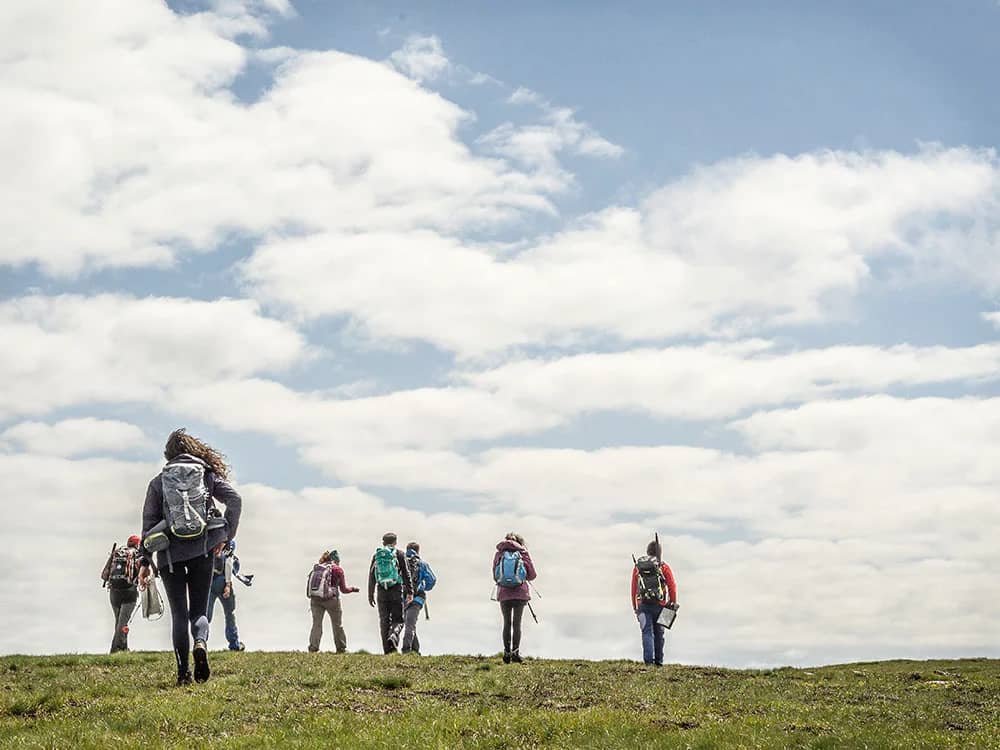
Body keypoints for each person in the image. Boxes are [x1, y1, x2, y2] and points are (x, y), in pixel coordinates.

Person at [138, 429, 242, 686]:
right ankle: (200, 643)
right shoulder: (206, 475)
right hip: (202, 551)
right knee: (198, 611)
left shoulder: (159, 482)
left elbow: (148, 523)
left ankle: (183, 673)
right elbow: (235, 500)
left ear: (168, 455)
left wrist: (145, 560)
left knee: (179, 615)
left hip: (169, 556)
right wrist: (225, 536)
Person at [631, 539, 678, 667]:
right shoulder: (663, 567)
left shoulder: (638, 567)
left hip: (643, 605)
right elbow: (672, 587)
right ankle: (658, 662)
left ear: (648, 552)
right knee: (659, 634)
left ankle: (648, 663)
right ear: (660, 553)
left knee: (646, 632)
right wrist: (672, 603)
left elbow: (633, 588)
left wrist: (635, 607)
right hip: (661, 605)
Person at [492, 532, 537, 664]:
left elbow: (495, 575)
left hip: (504, 593)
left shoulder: (499, 553)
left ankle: (506, 654)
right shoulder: (523, 553)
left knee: (507, 623)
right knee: (517, 624)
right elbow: (532, 575)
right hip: (520, 593)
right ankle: (515, 653)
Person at [367, 532, 413, 654]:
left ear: (383, 542)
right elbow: (406, 573)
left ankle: (387, 651)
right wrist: (410, 592)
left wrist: (370, 594)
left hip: (381, 590)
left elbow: (371, 576)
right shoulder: (399, 554)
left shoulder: (377, 555)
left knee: (384, 621)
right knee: (398, 619)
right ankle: (393, 635)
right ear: (395, 542)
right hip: (396, 589)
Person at [307, 549, 360, 653]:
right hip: (332, 600)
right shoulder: (338, 569)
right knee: (337, 625)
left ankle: (313, 647)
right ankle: (341, 648)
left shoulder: (318, 568)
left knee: (316, 624)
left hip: (316, 599)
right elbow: (344, 590)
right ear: (336, 560)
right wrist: (353, 589)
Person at [101, 534, 142, 653]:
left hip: (114, 593)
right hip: (129, 592)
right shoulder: (137, 554)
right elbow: (142, 572)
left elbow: (104, 575)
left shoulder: (116, 553)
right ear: (137, 544)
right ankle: (114, 650)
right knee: (122, 623)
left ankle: (123, 649)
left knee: (119, 622)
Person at [207, 540, 249, 651]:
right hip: (222, 581)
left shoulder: (208, 540)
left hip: (208, 582)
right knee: (229, 613)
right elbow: (228, 563)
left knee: (206, 616)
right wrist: (228, 584)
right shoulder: (230, 543)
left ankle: (201, 641)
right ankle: (234, 644)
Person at [401, 541, 437, 655]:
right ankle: (407, 650)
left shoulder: (401, 562)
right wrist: (423, 587)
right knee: (410, 624)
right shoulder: (422, 564)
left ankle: (414, 650)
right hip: (418, 598)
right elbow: (432, 580)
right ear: (418, 551)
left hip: (403, 597)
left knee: (409, 623)